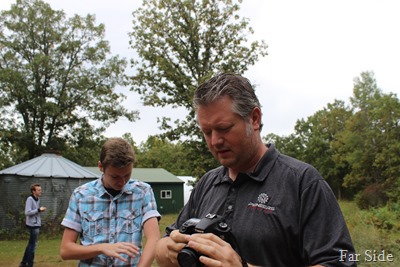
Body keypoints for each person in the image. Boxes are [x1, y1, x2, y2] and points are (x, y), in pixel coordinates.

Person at [155, 73, 357, 267]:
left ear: (254, 118)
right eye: (207, 132)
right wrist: (169, 249)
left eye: (224, 128)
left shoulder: (302, 182)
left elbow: (338, 262)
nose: (215, 141)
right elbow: (163, 247)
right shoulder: (208, 182)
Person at [60, 137, 161, 266]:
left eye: (127, 175)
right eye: (115, 176)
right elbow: (66, 250)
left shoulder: (143, 192)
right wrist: (101, 248)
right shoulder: (81, 195)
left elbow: (154, 239)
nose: (122, 182)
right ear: (101, 167)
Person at [19, 183, 46, 267]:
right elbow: (27, 212)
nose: (40, 191)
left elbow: (35, 212)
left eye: (40, 190)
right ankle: (30, 264)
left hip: (37, 224)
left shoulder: (37, 199)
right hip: (32, 225)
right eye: (38, 190)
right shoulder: (30, 199)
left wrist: (39, 210)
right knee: (33, 245)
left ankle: (23, 263)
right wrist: (38, 210)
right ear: (33, 191)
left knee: (31, 244)